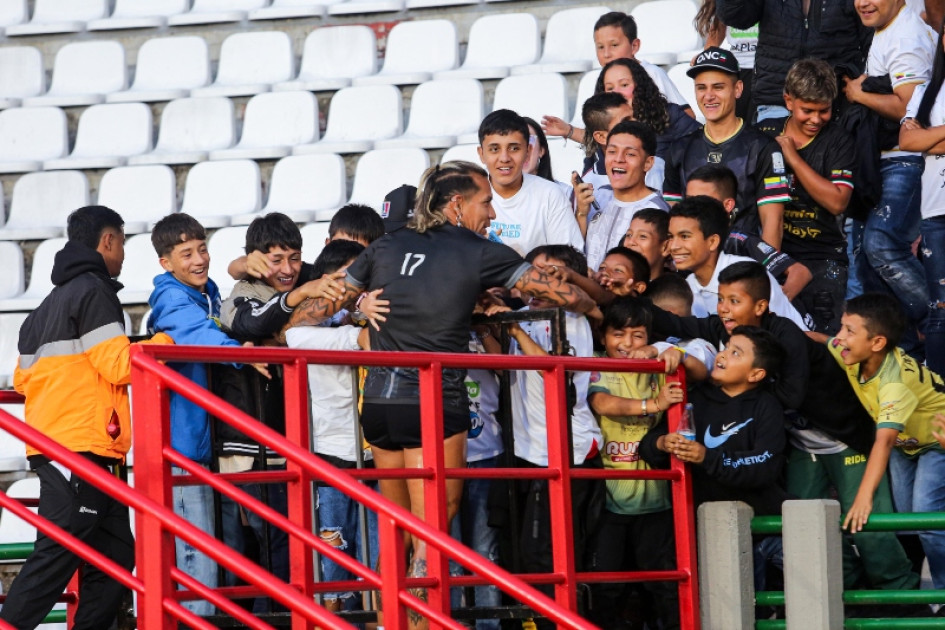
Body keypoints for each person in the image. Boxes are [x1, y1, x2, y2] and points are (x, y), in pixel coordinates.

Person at [282, 160, 600, 628]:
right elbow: (570, 298)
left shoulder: (385, 246)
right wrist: (593, 301)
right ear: (456, 205)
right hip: (433, 403)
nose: (492, 213)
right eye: (485, 201)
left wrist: (354, 315)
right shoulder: (480, 250)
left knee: (394, 528)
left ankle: (395, 621)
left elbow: (307, 318)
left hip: (380, 406)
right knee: (431, 536)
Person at [649, 263, 919, 592]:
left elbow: (791, 395)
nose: (724, 309)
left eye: (734, 301)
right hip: (805, 448)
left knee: (866, 528)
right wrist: (619, 302)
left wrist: (733, 382)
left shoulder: (785, 335)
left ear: (761, 306)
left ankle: (906, 601)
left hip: (846, 442)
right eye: (721, 299)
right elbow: (673, 322)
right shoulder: (729, 332)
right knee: (803, 530)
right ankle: (848, 597)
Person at [2, 206, 173, 630]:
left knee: (115, 554)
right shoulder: (95, 291)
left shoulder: (43, 307)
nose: (123, 257)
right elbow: (117, 365)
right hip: (77, 447)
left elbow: (23, 379)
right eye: (122, 245)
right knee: (58, 552)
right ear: (108, 241)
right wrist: (162, 344)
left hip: (72, 443)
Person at [214, 213, 348, 611]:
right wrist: (296, 296)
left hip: (307, 439)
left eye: (294, 257)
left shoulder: (308, 274)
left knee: (303, 543)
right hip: (257, 447)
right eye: (276, 260)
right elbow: (245, 323)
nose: (288, 269)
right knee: (274, 545)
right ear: (254, 260)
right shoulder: (242, 289)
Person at [147, 212, 267, 616]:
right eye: (186, 254)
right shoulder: (170, 297)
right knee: (199, 563)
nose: (199, 260)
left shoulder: (206, 290)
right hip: (183, 451)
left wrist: (238, 265)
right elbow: (197, 333)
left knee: (225, 553)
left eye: (202, 249)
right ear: (166, 263)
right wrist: (242, 355)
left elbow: (222, 292)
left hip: (208, 444)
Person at [501, 245, 603, 630]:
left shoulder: (570, 317)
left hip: (565, 450)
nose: (541, 278)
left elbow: (555, 378)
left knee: (546, 555)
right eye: (536, 270)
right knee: (531, 554)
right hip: (531, 449)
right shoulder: (524, 314)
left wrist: (510, 327)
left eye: (553, 272)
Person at [285, 240, 381, 614]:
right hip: (332, 458)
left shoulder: (375, 318)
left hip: (379, 454)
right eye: (347, 279)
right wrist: (354, 332)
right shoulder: (310, 327)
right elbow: (294, 336)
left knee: (379, 561)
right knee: (334, 562)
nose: (357, 287)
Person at [586, 297, 688, 630]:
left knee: (663, 588)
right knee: (607, 589)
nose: (627, 344)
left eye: (637, 335)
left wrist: (671, 351)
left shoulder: (662, 365)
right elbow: (602, 403)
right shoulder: (596, 364)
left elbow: (700, 357)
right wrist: (653, 403)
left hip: (658, 502)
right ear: (603, 337)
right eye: (618, 334)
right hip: (609, 504)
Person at [834, 293, 945, 591]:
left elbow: (882, 442)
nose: (840, 337)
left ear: (878, 343)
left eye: (849, 331)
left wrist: (863, 497)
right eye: (842, 327)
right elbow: (823, 342)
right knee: (908, 518)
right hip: (906, 445)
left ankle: (942, 592)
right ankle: (919, 592)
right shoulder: (850, 351)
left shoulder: (895, 382)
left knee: (925, 515)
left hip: (937, 439)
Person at [843, 0, 935, 357]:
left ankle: (936, 316)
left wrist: (857, 94)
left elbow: (907, 105)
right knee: (867, 270)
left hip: (906, 160)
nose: (863, 2)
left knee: (881, 244)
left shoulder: (907, 34)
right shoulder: (887, 28)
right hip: (881, 161)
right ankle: (908, 353)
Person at [754, 58, 857, 335]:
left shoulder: (839, 139)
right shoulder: (763, 133)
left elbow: (837, 202)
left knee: (822, 343)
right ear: (788, 100)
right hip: (772, 254)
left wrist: (792, 158)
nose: (816, 119)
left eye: (824, 111)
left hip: (824, 258)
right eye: (807, 110)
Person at [641, 326, 789, 514]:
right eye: (725, 347)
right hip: (696, 523)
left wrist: (706, 457)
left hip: (754, 525)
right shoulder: (695, 398)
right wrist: (661, 443)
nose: (722, 355)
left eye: (735, 353)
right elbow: (647, 446)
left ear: (756, 374)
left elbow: (764, 466)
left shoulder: (767, 406)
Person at [663, 47, 791, 251]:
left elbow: (772, 224)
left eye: (718, 87)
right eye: (701, 88)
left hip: (743, 264)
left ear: (738, 89)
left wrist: (760, 276)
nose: (709, 96)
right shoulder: (679, 148)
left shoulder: (763, 147)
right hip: (692, 266)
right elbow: (672, 218)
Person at [716, 0, 870, 121]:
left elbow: (873, 39)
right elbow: (734, 16)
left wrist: (865, 82)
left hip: (834, 105)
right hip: (776, 101)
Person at [667, 196, 808, 327]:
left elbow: (781, 339)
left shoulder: (748, 276)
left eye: (684, 236)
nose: (673, 246)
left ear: (712, 242)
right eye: (670, 237)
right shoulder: (688, 286)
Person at [684, 164, 812, 302]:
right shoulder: (681, 240)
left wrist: (777, 302)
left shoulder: (739, 240)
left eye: (702, 200)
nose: (693, 206)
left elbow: (800, 272)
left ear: (728, 205)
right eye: (689, 200)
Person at [899, 18, 945, 375]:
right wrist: (927, 138)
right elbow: (907, 141)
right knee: (940, 311)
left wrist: (929, 136)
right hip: (936, 213)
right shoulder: (926, 90)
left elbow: (920, 139)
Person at [478, 109, 584, 256]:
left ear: (528, 151)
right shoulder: (467, 194)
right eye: (494, 149)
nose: (504, 158)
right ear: (481, 154)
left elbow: (570, 259)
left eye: (514, 148)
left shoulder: (550, 194)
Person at [578, 120, 669, 270]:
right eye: (612, 151)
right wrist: (581, 213)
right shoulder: (598, 195)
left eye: (630, 154)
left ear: (648, 163)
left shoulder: (656, 210)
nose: (619, 159)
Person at [694, 0, 758, 119]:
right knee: (738, 122)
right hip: (738, 69)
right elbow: (718, 29)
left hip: (765, 69)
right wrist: (705, 57)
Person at [623, 208, 672, 280]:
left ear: (666, 247)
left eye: (642, 236)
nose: (630, 242)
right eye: (629, 235)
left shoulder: (674, 289)